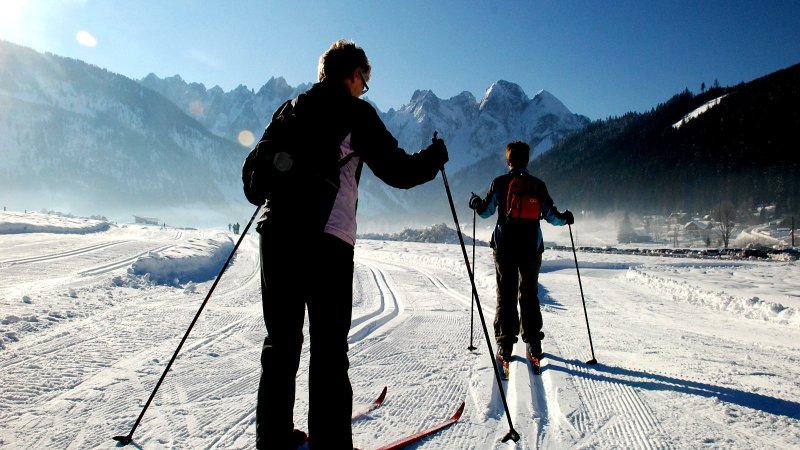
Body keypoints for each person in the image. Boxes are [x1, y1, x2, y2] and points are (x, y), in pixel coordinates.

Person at [254, 39, 448, 450]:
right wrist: (435, 157)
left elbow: (253, 176)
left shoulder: (289, 109)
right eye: (367, 78)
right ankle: (331, 443)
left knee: (280, 344)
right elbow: (398, 171)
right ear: (353, 74)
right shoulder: (356, 112)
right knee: (328, 348)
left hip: (276, 236)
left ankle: (272, 441)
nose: (366, 86)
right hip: (328, 240)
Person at [468, 141, 573, 365]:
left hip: (505, 247)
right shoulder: (538, 185)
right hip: (531, 248)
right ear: (527, 160)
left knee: (506, 293)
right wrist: (566, 218)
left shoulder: (500, 182)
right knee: (529, 293)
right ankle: (534, 343)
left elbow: (485, 212)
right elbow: (551, 216)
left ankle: (505, 344)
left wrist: (476, 202)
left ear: (508, 161)